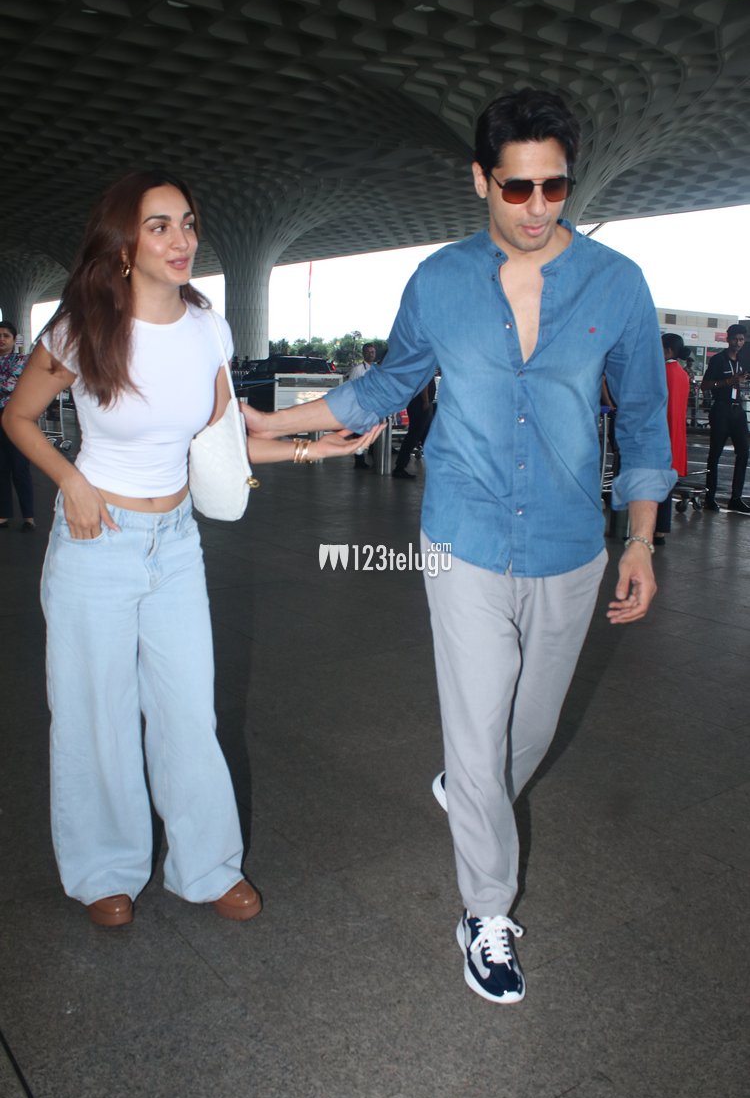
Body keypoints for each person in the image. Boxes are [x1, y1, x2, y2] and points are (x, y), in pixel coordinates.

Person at [242, 88, 674, 1005]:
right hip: (462, 537)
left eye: (554, 187)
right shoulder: (439, 281)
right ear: (481, 178)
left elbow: (642, 422)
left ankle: (467, 782)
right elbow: (386, 386)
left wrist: (640, 539)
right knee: (480, 730)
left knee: (528, 732)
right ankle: (485, 910)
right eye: (516, 189)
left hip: (569, 543)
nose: (537, 209)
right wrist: (276, 421)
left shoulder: (618, 284)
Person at [3, 171, 379, 929]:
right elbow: (17, 417)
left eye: (188, 223)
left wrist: (317, 447)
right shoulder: (80, 327)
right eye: (160, 226)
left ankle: (204, 866)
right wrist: (70, 480)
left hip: (175, 543)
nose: (182, 240)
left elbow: (224, 440)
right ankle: (104, 869)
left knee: (186, 710)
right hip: (96, 541)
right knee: (92, 713)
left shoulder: (209, 325)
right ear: (124, 243)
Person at [700, 324, 749, 512]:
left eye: (742, 339)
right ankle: (709, 496)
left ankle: (735, 497)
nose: (738, 342)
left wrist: (742, 382)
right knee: (715, 454)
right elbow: (704, 386)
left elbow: (740, 382)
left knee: (744, 452)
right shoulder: (718, 360)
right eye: (735, 339)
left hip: (738, 411)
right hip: (721, 409)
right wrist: (729, 381)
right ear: (728, 339)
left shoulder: (742, 360)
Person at [654, 334, 690, 545]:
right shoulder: (683, 374)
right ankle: (661, 530)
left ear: (667, 350)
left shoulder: (661, 373)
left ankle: (653, 530)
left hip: (659, 434)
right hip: (676, 436)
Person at [0, 321, 35, 531]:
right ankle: (3, 514)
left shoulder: (22, 360)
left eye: (6, 335)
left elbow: (11, 385)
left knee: (20, 468)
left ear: (14, 339)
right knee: (0, 468)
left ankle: (28, 516)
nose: (1, 339)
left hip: (14, 417)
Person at [392, 377, 436, 479]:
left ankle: (436, 466)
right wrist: (425, 401)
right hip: (420, 404)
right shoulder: (425, 363)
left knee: (426, 435)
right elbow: (423, 383)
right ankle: (400, 467)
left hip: (422, 403)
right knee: (414, 435)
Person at [348, 343, 378, 468]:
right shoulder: (357, 370)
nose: (370, 354)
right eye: (368, 352)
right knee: (359, 435)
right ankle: (359, 461)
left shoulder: (377, 369)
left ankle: (373, 455)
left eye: (372, 352)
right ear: (363, 353)